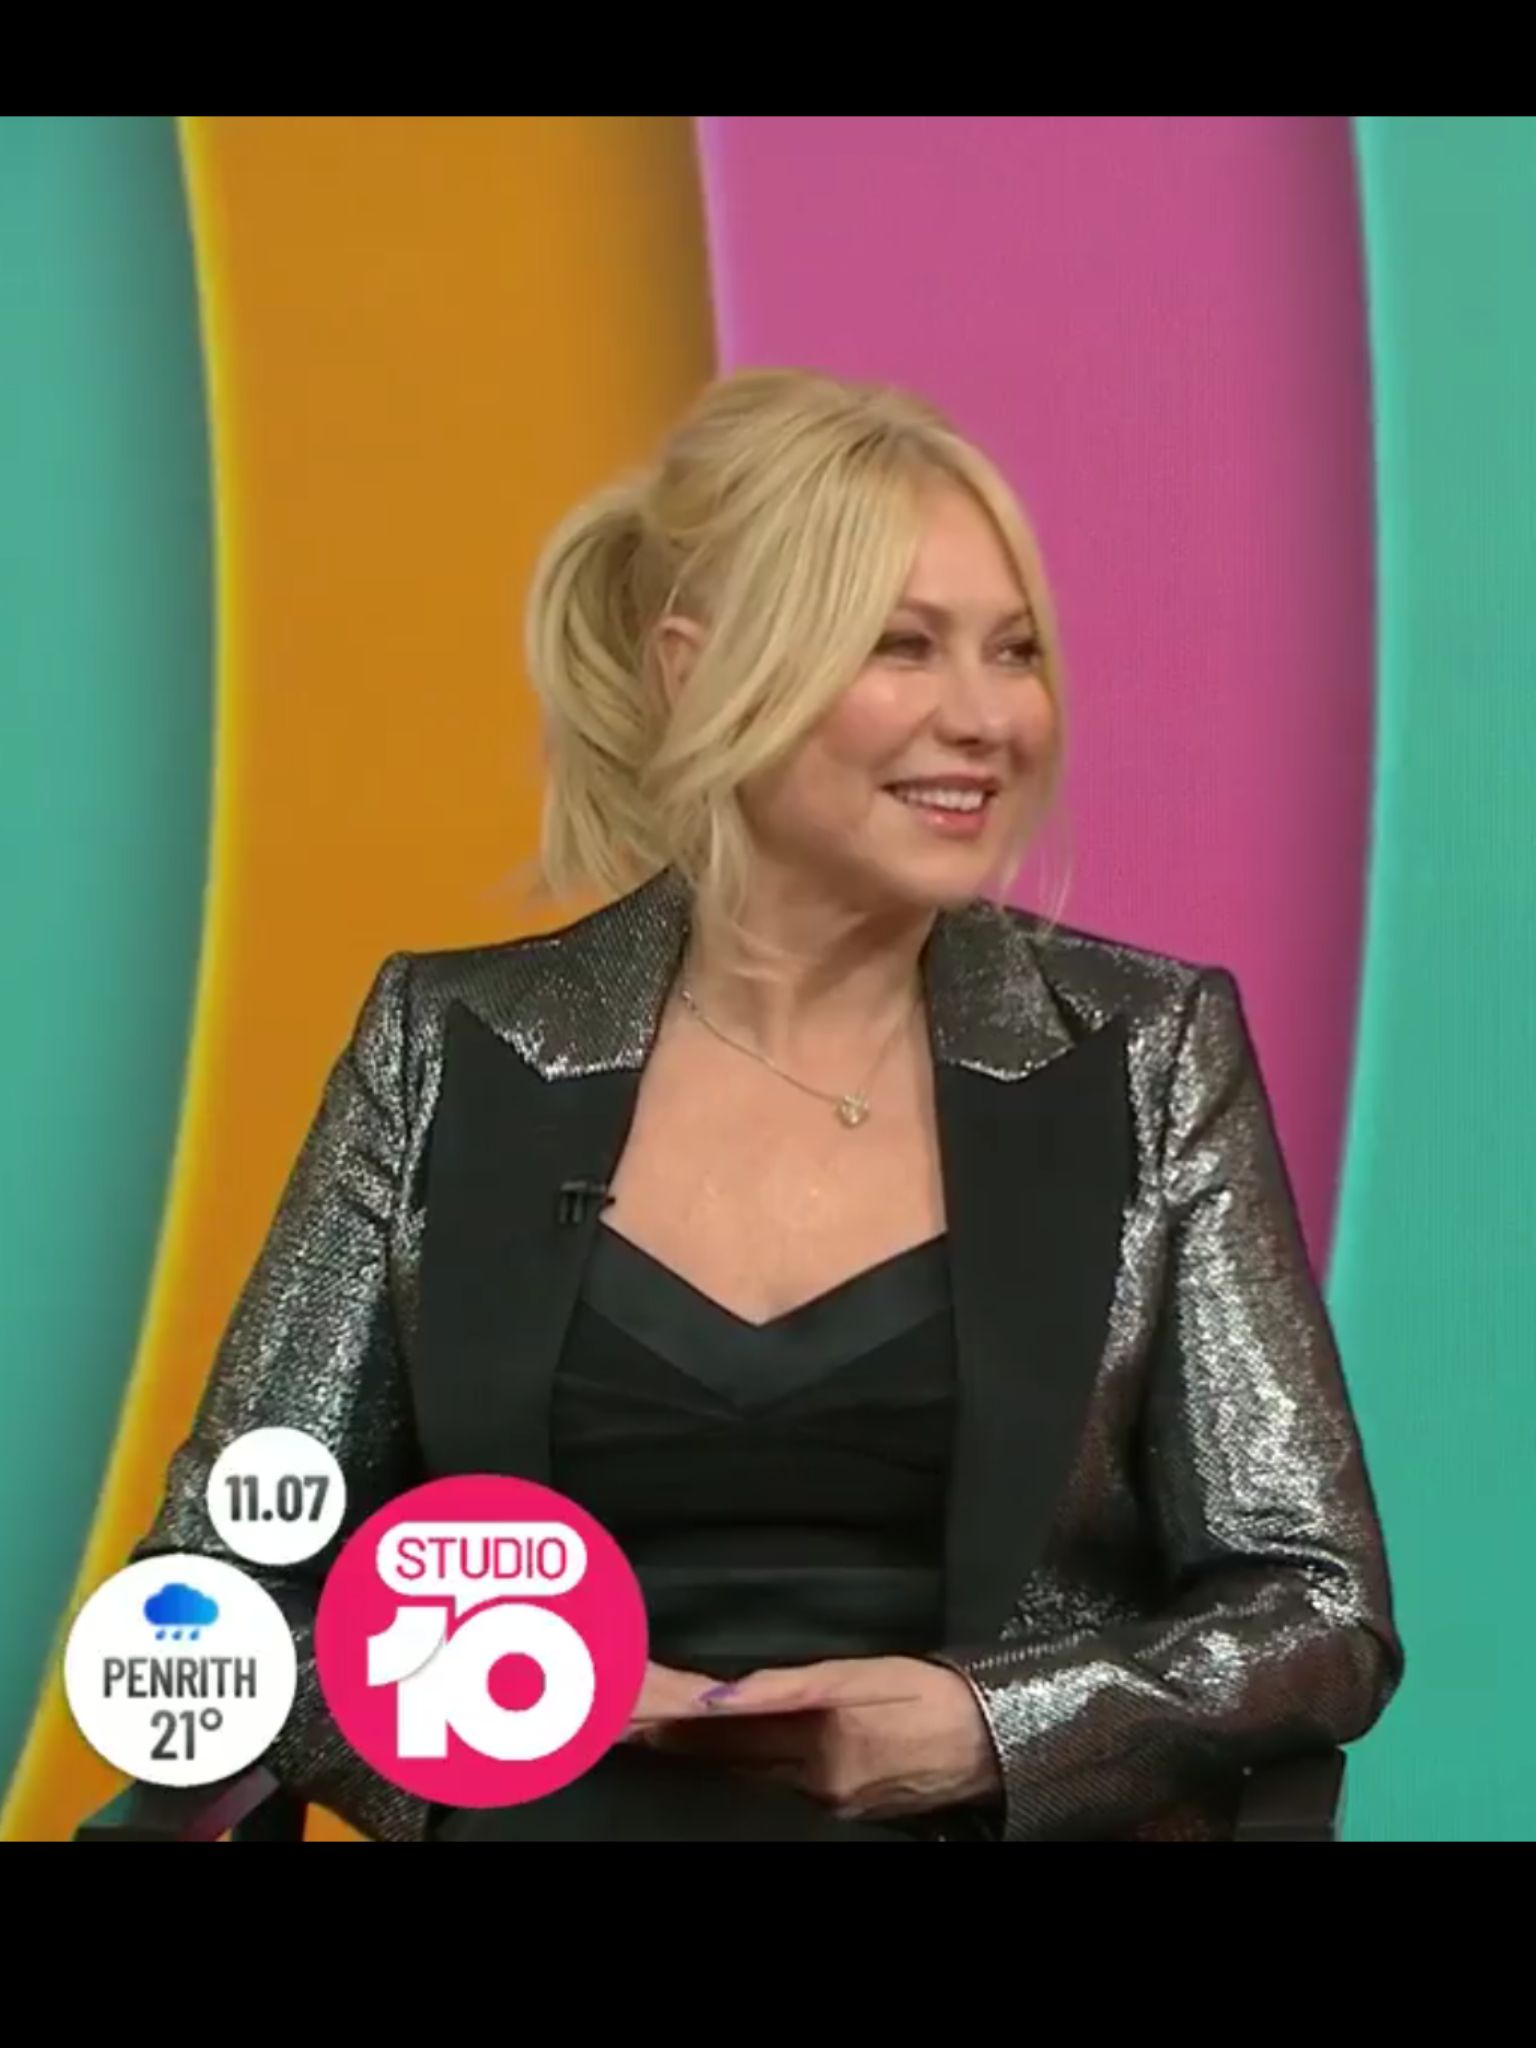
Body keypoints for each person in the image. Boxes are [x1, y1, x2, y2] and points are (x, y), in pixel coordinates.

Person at [130, 367, 1404, 1843]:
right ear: (696, 671)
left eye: (1016, 651)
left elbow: (1315, 1605)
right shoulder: (448, 1044)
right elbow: (213, 1597)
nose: (986, 716)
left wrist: (996, 1731)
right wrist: (490, 1715)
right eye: (901, 647)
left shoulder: (1148, 1051)